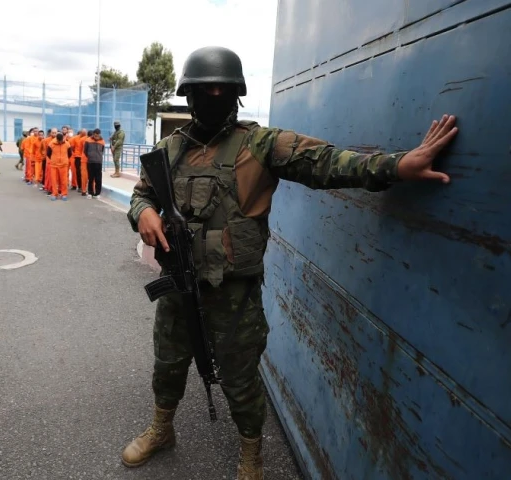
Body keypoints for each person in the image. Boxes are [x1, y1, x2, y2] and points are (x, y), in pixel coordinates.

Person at [122, 45, 459, 479]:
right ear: (187, 95)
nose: (211, 98)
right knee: (168, 363)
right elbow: (142, 193)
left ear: (236, 95)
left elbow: (328, 163)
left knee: (241, 380)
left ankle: (251, 457)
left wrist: (396, 166)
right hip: (179, 288)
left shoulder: (260, 144)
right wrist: (142, 213)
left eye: (221, 91)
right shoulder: (167, 150)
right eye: (202, 91)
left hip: (234, 295)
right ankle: (161, 429)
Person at [46, 132, 73, 201]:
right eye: (59, 140)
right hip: (54, 165)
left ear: (63, 139)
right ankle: (54, 194)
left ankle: (64, 194)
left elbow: (70, 153)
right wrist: (54, 159)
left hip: (64, 165)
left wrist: (64, 159)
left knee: (64, 180)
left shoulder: (67, 144)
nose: (60, 142)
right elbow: (48, 154)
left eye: (61, 140)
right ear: (56, 139)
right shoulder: (51, 144)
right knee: (54, 180)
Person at [84, 128, 105, 198]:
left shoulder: (102, 141)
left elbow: (102, 150)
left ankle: (97, 193)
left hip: (99, 162)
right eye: (95, 135)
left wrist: (99, 157)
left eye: (98, 135)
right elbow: (85, 151)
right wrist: (90, 156)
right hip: (90, 162)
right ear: (93, 134)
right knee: (91, 178)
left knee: (98, 178)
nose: (96, 137)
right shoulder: (88, 140)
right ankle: (90, 193)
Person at [70, 128, 88, 196]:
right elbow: (72, 147)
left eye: (85, 134)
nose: (84, 135)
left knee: (84, 173)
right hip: (77, 157)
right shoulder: (75, 138)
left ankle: (84, 187)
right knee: (78, 172)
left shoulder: (87, 139)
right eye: (83, 133)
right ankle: (80, 186)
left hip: (85, 157)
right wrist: (76, 153)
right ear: (80, 133)